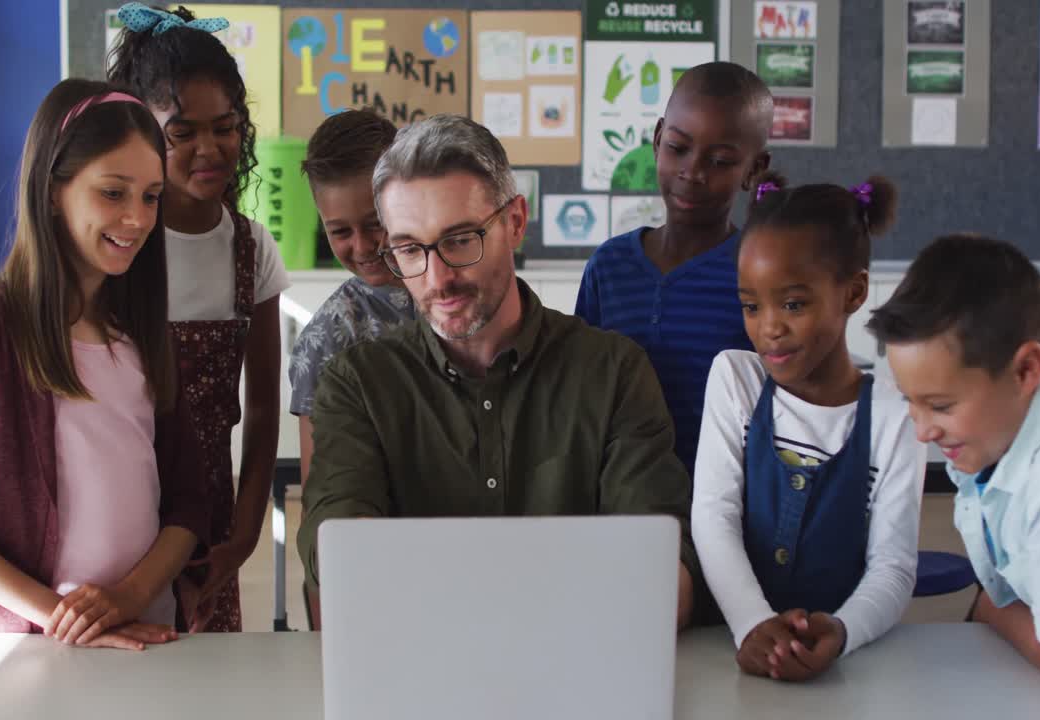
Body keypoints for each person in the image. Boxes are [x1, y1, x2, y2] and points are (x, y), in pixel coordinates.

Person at [298, 115, 705, 628]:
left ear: (514, 222)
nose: (438, 279)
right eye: (408, 249)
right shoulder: (356, 385)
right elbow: (336, 551)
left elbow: (664, 564)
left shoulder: (613, 373)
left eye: (461, 239)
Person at [0, 79, 208, 650]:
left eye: (150, 196)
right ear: (51, 190)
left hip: (149, 633)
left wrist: (131, 596)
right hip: (32, 645)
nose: (139, 219)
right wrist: (66, 618)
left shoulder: (145, 334)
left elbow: (189, 504)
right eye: (113, 193)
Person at [693, 173, 925, 681]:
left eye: (793, 304)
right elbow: (714, 517)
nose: (768, 327)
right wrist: (752, 624)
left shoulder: (893, 416)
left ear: (853, 292)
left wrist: (841, 631)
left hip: (843, 669)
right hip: (727, 646)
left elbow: (893, 566)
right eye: (751, 306)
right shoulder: (736, 380)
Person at [108, 2, 290, 632]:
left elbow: (263, 409)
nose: (209, 149)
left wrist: (242, 537)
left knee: (207, 680)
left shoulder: (249, 247)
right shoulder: (118, 247)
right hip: (117, 510)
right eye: (181, 133)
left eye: (226, 127)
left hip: (210, 527)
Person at [869, 234, 1040, 680]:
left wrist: (991, 610)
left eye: (941, 405)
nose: (923, 429)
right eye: (911, 401)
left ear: (1026, 369)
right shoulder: (998, 429)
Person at [576, 62, 772, 475]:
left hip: (727, 505)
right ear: (658, 138)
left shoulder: (758, 272)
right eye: (678, 148)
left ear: (753, 171)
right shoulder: (610, 267)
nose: (692, 172)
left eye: (720, 161)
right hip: (620, 497)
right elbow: (583, 389)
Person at [289, 109, 415, 486]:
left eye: (375, 223)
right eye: (341, 231)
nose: (362, 246)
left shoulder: (454, 293)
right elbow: (322, 488)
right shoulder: (328, 335)